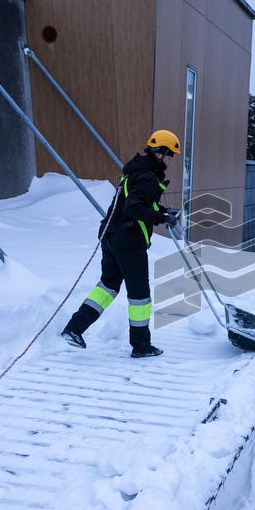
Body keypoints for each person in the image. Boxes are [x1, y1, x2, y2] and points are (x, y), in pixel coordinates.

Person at [61, 130, 181, 358]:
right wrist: (162, 219)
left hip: (111, 236)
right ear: (160, 153)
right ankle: (141, 346)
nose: (170, 160)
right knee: (140, 295)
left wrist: (164, 212)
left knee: (108, 286)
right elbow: (133, 208)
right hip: (128, 241)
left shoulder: (137, 172)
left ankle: (74, 328)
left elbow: (138, 203)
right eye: (169, 155)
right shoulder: (148, 177)